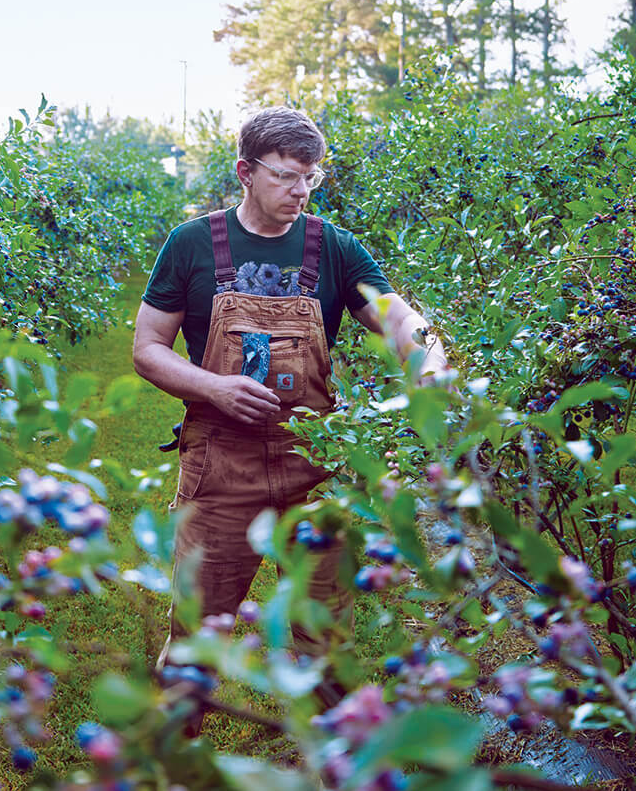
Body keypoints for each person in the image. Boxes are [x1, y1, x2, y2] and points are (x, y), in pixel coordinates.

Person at [132, 107, 447, 719]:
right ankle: (173, 751)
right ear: (246, 172)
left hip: (314, 463)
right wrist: (213, 387)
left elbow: (399, 318)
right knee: (200, 623)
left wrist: (430, 362)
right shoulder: (193, 244)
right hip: (221, 464)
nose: (301, 190)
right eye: (286, 176)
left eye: (312, 176)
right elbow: (146, 349)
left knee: (323, 627)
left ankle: (334, 752)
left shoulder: (332, 247)